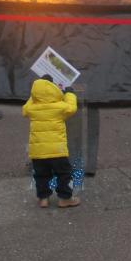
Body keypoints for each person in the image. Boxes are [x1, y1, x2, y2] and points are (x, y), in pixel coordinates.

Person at [22, 74, 80, 208]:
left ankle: (43, 198)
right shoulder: (59, 106)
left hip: (38, 152)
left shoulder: (31, 108)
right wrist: (69, 94)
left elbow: (25, 109)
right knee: (64, 174)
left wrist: (35, 96)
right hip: (58, 151)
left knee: (41, 175)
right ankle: (65, 198)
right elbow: (72, 107)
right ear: (54, 90)